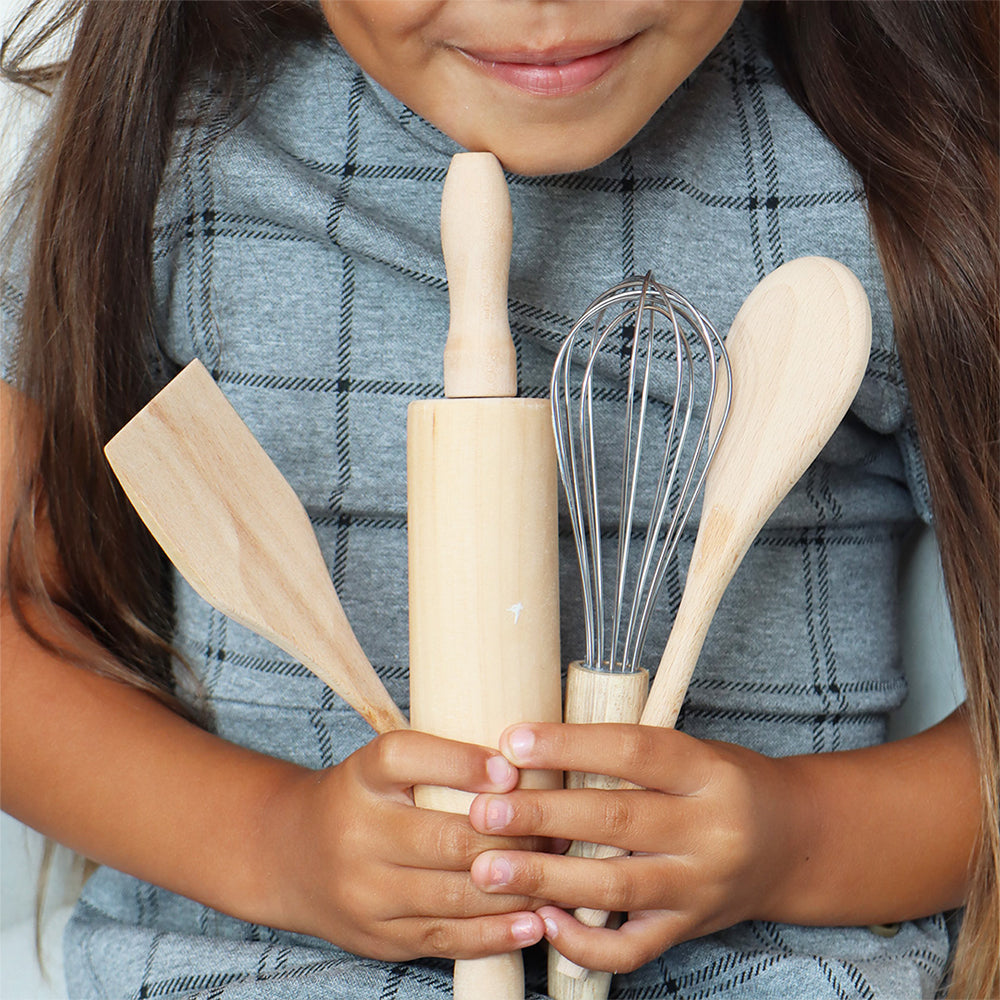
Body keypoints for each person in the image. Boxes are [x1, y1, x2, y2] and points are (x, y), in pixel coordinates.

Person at [1, 2, 996, 998]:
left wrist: (794, 838)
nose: (541, 10)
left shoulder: (896, 160)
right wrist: (276, 842)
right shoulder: (173, 152)